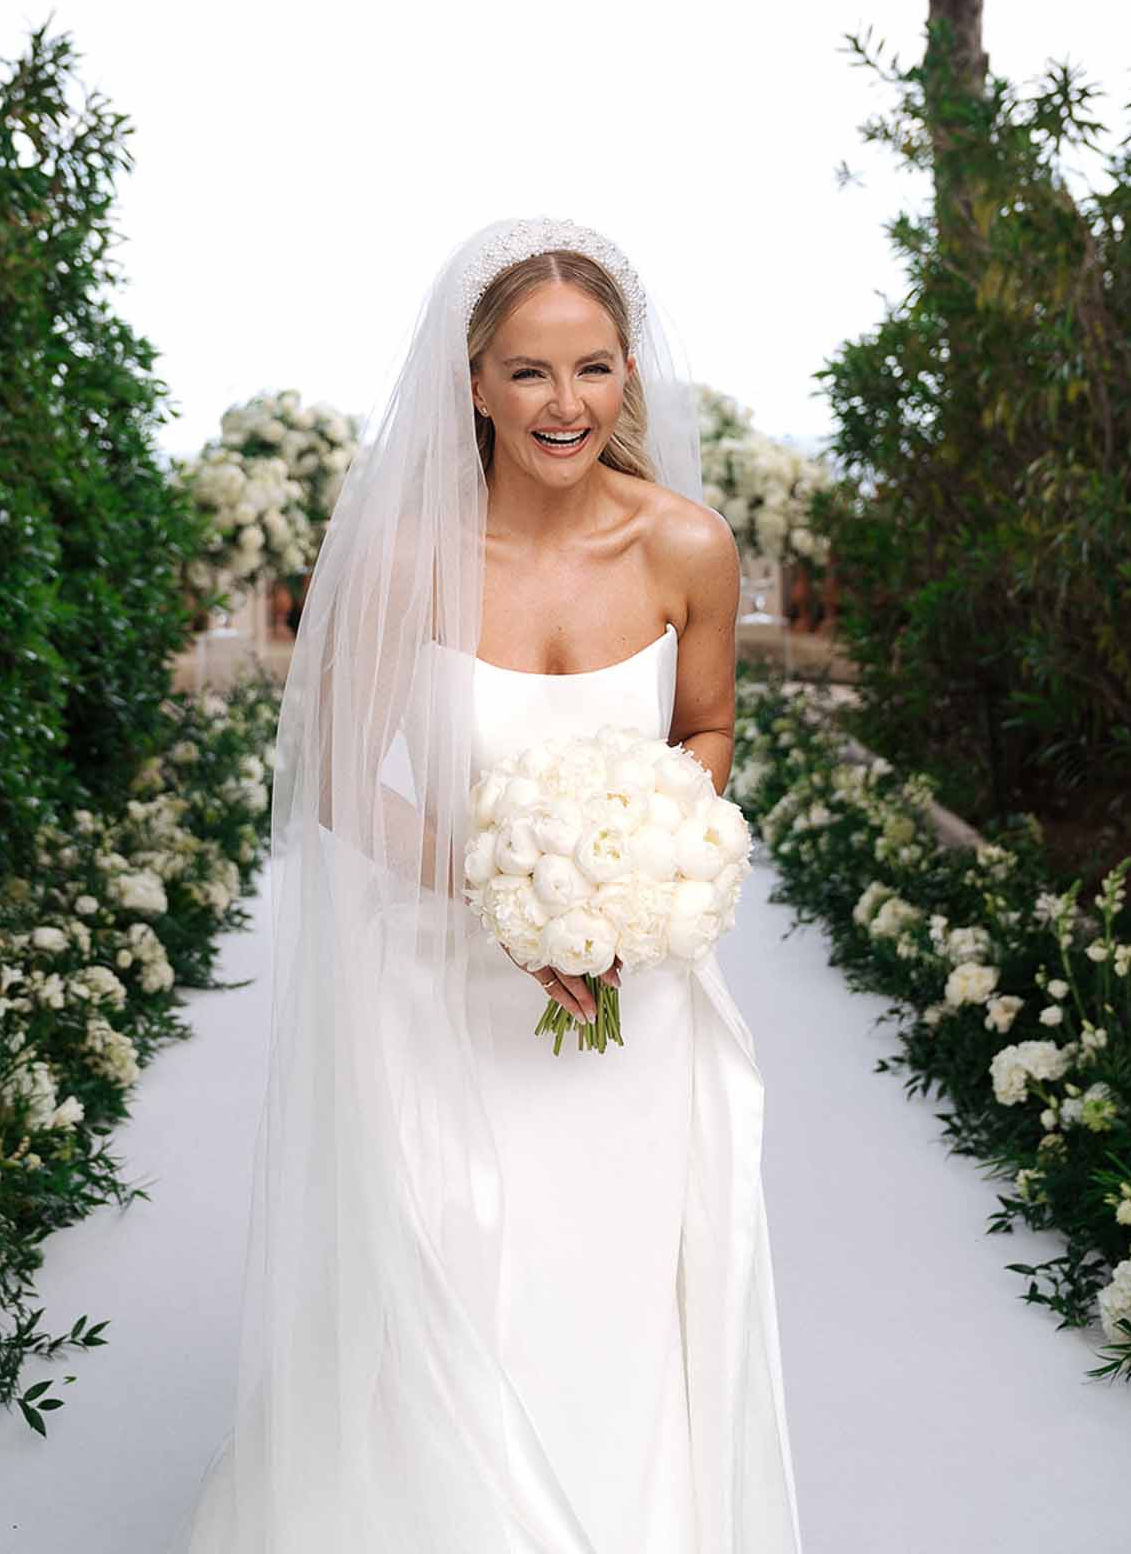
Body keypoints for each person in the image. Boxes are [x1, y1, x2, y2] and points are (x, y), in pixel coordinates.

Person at [171, 216, 804, 1554]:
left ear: (627, 376)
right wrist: (499, 902)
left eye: (589, 369)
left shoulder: (687, 546)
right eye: (527, 372)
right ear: (472, 382)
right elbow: (345, 775)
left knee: (617, 1295)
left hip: (634, 1005)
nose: (561, 405)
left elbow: (704, 731)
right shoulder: (411, 559)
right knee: (461, 1281)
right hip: (444, 996)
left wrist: (641, 875)